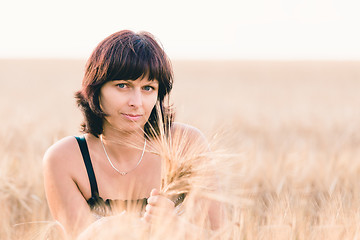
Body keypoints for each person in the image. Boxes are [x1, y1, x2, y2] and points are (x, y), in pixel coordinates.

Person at [43, 30, 222, 239]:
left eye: (148, 88)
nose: (136, 102)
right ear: (96, 89)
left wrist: (174, 226)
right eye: (122, 85)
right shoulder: (66, 159)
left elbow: (223, 235)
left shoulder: (185, 145)